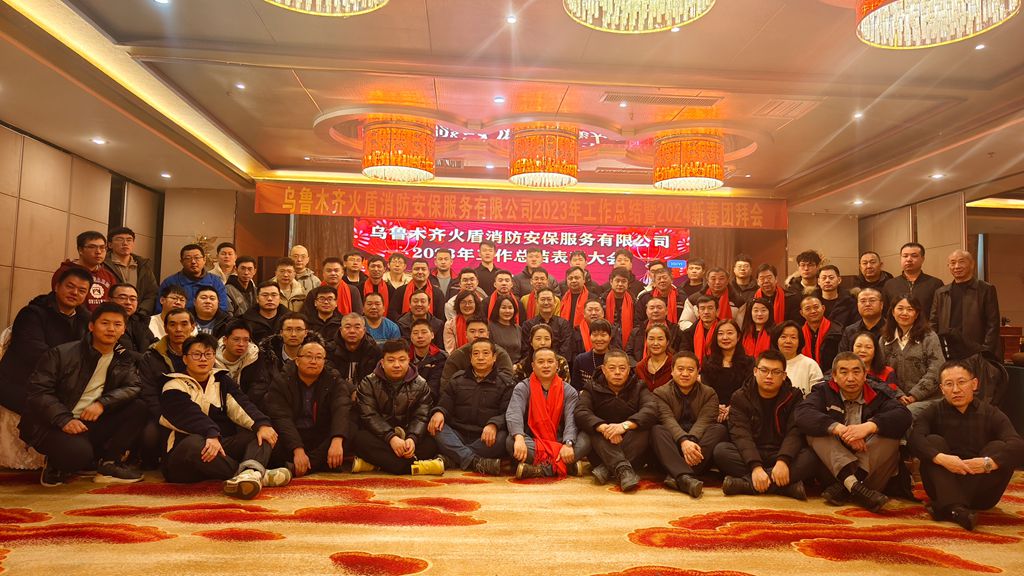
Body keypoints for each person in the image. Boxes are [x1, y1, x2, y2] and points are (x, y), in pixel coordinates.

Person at [20, 302, 147, 486]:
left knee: (138, 407)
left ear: (123, 330)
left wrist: (102, 403)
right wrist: (64, 419)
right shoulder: (62, 354)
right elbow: (38, 391)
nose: (111, 329)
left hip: (89, 420)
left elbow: (133, 386)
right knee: (78, 456)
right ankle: (56, 464)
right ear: (91, 326)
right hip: (53, 423)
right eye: (105, 323)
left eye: (117, 324)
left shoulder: (123, 358)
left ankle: (109, 463)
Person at [160, 333, 291, 498]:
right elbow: (189, 414)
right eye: (196, 355)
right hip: (183, 459)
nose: (203, 359)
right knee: (194, 443)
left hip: (217, 448)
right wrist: (211, 433)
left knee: (260, 434)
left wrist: (261, 424)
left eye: (208, 354)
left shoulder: (222, 380)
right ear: (185, 359)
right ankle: (255, 475)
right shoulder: (173, 385)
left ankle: (250, 473)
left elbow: (242, 405)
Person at [910, 360, 1024, 531]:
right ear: (942, 389)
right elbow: (915, 439)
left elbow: (1018, 445)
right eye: (949, 384)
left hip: (981, 494)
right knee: (933, 441)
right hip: (942, 486)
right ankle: (957, 509)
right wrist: (941, 459)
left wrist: (988, 463)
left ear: (974, 384)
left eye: (961, 382)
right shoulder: (933, 411)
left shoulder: (991, 413)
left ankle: (948, 506)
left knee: (998, 447)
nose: (956, 390)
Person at [796, 352, 912, 512]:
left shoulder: (878, 393)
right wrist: (840, 430)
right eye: (844, 372)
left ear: (865, 375)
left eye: (856, 372)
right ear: (834, 376)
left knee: (891, 434)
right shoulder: (823, 391)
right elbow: (802, 414)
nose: (850, 378)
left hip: (871, 475)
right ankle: (855, 487)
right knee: (815, 431)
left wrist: (869, 427)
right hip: (834, 473)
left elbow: (904, 415)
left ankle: (850, 485)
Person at [713, 350, 816, 500]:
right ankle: (785, 487)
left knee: (812, 456)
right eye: (764, 370)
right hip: (752, 452)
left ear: (784, 375)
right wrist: (755, 467)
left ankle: (745, 485)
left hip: (781, 453)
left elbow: (795, 432)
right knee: (721, 452)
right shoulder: (740, 396)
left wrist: (783, 461)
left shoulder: (794, 396)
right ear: (755, 371)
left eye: (776, 372)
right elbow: (741, 435)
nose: (769, 376)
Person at [0, 267, 91, 413]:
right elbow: (34, 353)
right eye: (70, 286)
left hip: (59, 388)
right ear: (57, 287)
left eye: (82, 290)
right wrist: (73, 369)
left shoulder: (86, 320)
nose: (75, 293)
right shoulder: (32, 313)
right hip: (22, 385)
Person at [351, 339, 442, 475]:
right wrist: (391, 438)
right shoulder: (368, 382)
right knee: (360, 439)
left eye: (402, 360)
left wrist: (412, 439)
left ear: (409, 361)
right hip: (381, 437)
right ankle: (411, 466)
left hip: (407, 435)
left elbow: (421, 416)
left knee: (431, 442)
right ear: (382, 362)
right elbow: (369, 416)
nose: (397, 365)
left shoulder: (421, 384)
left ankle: (379, 464)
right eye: (391, 360)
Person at [265, 340, 352, 477]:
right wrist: (297, 449)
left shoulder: (333, 379)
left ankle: (298, 467)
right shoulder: (282, 381)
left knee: (349, 428)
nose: (313, 361)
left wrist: (337, 439)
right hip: (291, 435)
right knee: (266, 439)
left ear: (324, 361)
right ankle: (315, 465)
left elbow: (341, 407)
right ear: (297, 361)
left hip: (320, 436)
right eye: (308, 356)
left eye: (319, 357)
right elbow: (282, 418)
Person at [428, 338, 513, 475]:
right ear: (470, 358)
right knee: (437, 427)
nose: (480, 357)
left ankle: (453, 458)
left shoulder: (505, 383)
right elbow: (444, 404)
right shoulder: (457, 379)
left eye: (485, 353)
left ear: (494, 357)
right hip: (458, 433)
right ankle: (475, 462)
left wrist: (494, 424)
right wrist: (439, 412)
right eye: (476, 353)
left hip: (485, 436)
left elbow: (507, 413)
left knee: (503, 438)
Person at [575, 349, 658, 491]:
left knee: (646, 428)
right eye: (612, 368)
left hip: (631, 447)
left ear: (629, 369)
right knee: (593, 428)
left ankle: (607, 469)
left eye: (622, 368)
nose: (617, 372)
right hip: (602, 447)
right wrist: (603, 427)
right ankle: (623, 469)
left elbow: (651, 410)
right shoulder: (592, 386)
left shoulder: (639, 386)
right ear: (603, 369)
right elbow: (581, 412)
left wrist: (624, 426)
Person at [651, 352, 728, 498]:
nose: (685, 374)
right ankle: (685, 477)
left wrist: (690, 441)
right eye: (680, 369)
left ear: (698, 372)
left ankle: (678, 475)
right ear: (672, 371)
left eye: (690, 370)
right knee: (657, 430)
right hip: (672, 448)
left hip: (698, 447)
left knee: (719, 430)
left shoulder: (709, 394)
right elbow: (667, 420)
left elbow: (704, 421)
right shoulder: (660, 393)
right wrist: (683, 441)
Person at [506, 348, 589, 479]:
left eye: (550, 362)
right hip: (534, 441)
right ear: (533, 366)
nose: (546, 365)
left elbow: (571, 420)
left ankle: (541, 470)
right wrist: (519, 438)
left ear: (557, 365)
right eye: (541, 362)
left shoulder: (569, 391)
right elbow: (514, 413)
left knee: (587, 438)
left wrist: (568, 444)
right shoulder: (523, 388)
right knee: (511, 441)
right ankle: (566, 465)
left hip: (561, 440)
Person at [881, 294, 945, 417]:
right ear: (893, 312)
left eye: (910, 309)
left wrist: (914, 395)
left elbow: (936, 370)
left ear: (916, 314)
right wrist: (898, 395)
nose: (904, 313)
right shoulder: (885, 339)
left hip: (927, 399)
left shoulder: (929, 337)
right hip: (894, 398)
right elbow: (881, 371)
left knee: (906, 414)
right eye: (900, 308)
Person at [930, 249, 1000, 357]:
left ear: (972, 264)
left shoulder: (985, 289)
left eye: (961, 262)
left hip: (976, 350)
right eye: (952, 263)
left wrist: (985, 350)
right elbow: (933, 323)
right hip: (947, 350)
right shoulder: (941, 292)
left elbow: (993, 324)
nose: (957, 266)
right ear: (948, 266)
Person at [700, 320, 754, 422]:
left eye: (730, 333)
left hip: (741, 412)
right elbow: (705, 389)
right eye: (720, 334)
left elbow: (748, 390)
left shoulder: (749, 362)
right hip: (713, 412)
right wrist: (716, 407)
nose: (725, 337)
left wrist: (732, 408)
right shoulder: (707, 361)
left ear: (738, 337)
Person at [50, 231, 119, 312]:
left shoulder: (109, 276)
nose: (98, 252)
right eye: (92, 247)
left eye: (102, 247)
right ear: (80, 250)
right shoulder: (65, 272)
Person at [158, 244, 229, 313]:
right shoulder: (170, 282)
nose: (193, 262)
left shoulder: (215, 281)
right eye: (188, 258)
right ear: (182, 262)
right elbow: (160, 309)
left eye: (197, 258)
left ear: (204, 260)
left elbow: (223, 308)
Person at [105, 226, 159, 315]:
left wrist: (141, 312)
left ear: (133, 243)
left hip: (138, 315)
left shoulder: (143, 265)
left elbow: (152, 293)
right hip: (110, 313)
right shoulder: (103, 264)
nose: (125, 243)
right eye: (119, 239)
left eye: (129, 240)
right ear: (110, 244)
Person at [883, 242, 944, 319]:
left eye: (914, 256)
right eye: (905, 256)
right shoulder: (890, 284)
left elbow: (940, 313)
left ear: (922, 259)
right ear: (900, 259)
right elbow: (886, 312)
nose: (909, 259)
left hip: (926, 326)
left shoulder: (935, 283)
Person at [215, 320, 267, 408]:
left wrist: (244, 405)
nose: (241, 344)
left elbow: (258, 386)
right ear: (225, 340)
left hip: (248, 405)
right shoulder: (211, 359)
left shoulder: (254, 357)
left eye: (246, 340)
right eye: (236, 339)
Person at [325, 313, 382, 385]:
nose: (352, 331)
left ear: (364, 330)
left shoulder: (374, 350)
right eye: (348, 327)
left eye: (357, 327)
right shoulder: (329, 350)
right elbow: (329, 378)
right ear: (341, 330)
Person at [771, 320, 823, 395]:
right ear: (776, 341)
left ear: (799, 342)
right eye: (783, 337)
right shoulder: (769, 363)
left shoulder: (810, 365)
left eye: (793, 337)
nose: (788, 341)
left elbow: (819, 395)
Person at [626, 297, 684, 362]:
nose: (655, 311)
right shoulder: (637, 331)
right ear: (646, 311)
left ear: (666, 311)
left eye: (659, 308)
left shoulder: (676, 331)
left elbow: (681, 354)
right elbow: (628, 354)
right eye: (652, 308)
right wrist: (639, 366)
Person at [520, 288, 572, 360]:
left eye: (549, 299)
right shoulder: (528, 325)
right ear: (537, 302)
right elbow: (526, 350)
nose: (546, 303)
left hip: (558, 364)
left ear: (555, 302)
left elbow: (566, 350)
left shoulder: (563, 324)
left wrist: (552, 362)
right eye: (543, 299)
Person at [798, 295, 842, 371]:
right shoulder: (798, 334)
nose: (813, 311)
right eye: (808, 309)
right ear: (802, 313)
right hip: (805, 372)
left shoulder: (837, 331)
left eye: (816, 307)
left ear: (823, 308)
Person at [570, 319, 616, 391]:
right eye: (595, 335)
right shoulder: (580, 360)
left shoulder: (617, 359)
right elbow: (576, 389)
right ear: (590, 336)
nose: (599, 339)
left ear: (610, 337)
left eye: (603, 335)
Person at [110, 283, 156, 353]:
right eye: (122, 298)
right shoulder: (104, 322)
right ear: (110, 300)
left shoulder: (140, 320)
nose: (128, 302)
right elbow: (120, 352)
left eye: (133, 299)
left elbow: (154, 343)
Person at [409, 318, 448, 400]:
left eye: (424, 332)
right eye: (415, 333)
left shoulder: (442, 357)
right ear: (411, 337)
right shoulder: (404, 358)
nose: (420, 336)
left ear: (432, 335)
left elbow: (436, 386)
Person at [838, 287, 886, 352]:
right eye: (863, 301)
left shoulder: (891, 329)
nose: (867, 304)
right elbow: (843, 356)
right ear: (857, 305)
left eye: (872, 300)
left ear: (881, 305)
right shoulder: (850, 331)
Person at [681, 296, 719, 363]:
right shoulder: (688, 333)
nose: (706, 312)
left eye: (710, 308)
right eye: (702, 308)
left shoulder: (724, 331)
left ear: (717, 311)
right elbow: (684, 355)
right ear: (698, 312)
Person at [635, 324, 673, 391]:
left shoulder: (674, 365)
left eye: (660, 339)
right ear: (646, 341)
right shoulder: (640, 367)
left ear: (667, 342)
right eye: (651, 339)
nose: (655, 343)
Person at [604, 267, 635, 345]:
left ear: (628, 283)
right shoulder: (602, 300)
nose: (620, 284)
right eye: (617, 281)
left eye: (623, 281)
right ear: (611, 282)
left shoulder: (634, 302)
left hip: (629, 342)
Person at [487, 293, 522, 362]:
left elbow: (522, 352)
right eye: (503, 308)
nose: (507, 311)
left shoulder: (518, 329)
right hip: (497, 366)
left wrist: (519, 365)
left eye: (510, 308)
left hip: (516, 366)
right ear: (497, 309)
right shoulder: (489, 327)